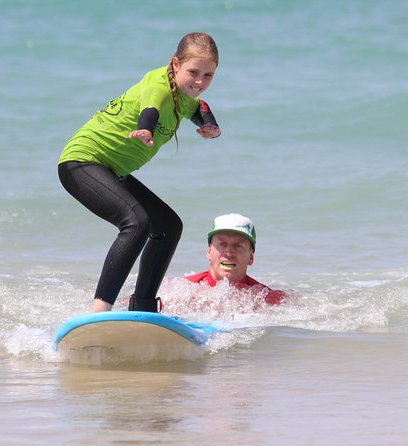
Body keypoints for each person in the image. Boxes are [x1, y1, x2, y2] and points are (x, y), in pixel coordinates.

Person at [58, 32, 221, 313]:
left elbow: (199, 107)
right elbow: (151, 109)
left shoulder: (182, 94)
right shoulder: (157, 85)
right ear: (174, 64)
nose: (200, 82)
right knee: (136, 222)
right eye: (194, 72)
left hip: (112, 170)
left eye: (208, 76)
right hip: (82, 161)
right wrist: (146, 128)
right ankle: (99, 311)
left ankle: (143, 309)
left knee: (168, 226)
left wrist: (210, 125)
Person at [184, 213, 287, 305]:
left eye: (238, 246)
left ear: (251, 257)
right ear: (209, 252)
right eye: (222, 244)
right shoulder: (184, 290)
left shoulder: (267, 300)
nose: (229, 253)